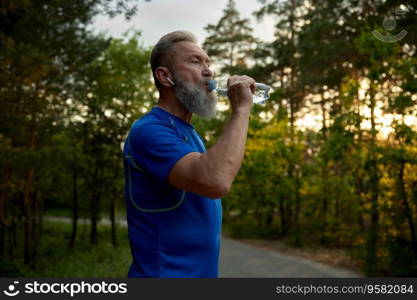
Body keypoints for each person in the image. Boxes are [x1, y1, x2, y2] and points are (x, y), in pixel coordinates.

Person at [123, 30, 255, 278]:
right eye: (195, 62)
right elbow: (215, 180)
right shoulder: (149, 130)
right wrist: (241, 110)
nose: (209, 71)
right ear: (165, 76)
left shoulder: (189, 134)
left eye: (208, 63)